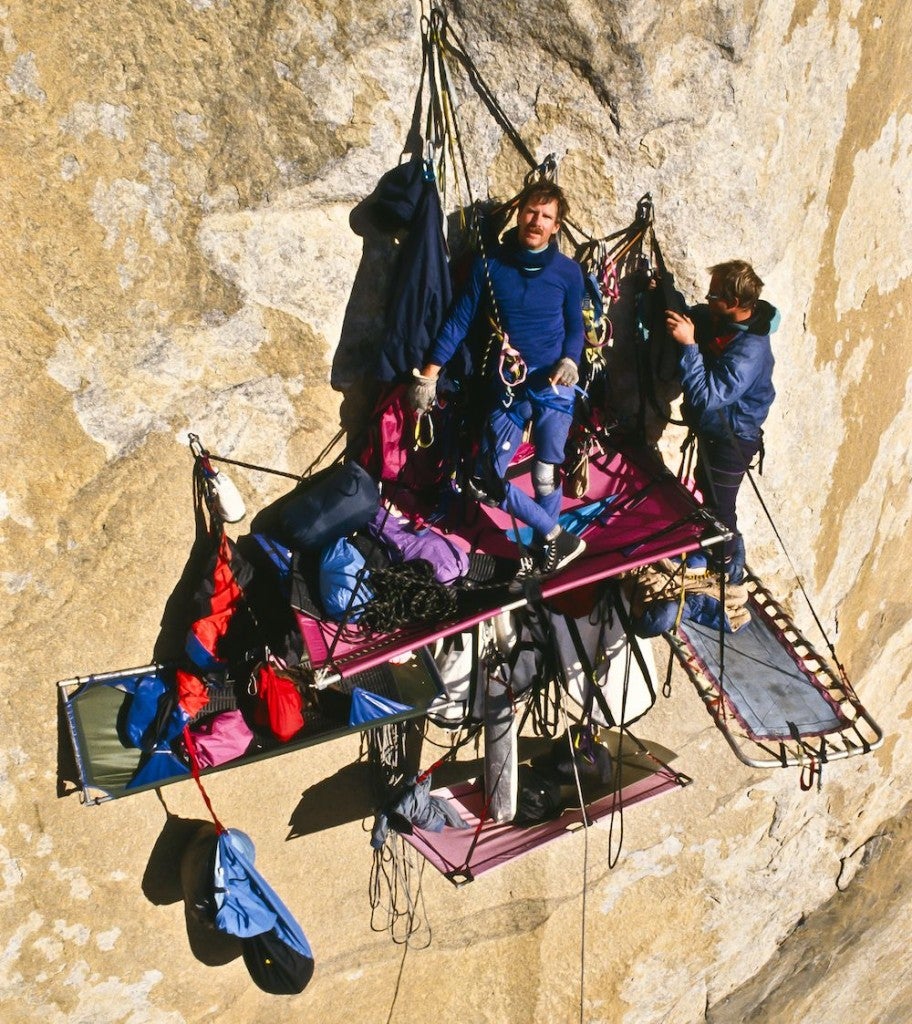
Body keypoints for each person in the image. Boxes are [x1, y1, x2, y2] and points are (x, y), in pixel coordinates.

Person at [408, 180, 586, 578]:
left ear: (556, 226)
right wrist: (429, 376)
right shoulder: (492, 267)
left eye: (546, 217)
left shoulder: (568, 272)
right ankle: (558, 535)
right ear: (519, 212)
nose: (535, 222)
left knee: (544, 472)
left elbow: (576, 325)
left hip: (555, 385)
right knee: (483, 478)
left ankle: (547, 549)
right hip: (509, 386)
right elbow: (458, 321)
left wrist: (571, 360)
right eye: (530, 212)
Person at [665, 260, 779, 583]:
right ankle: (722, 552)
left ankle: (728, 573)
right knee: (708, 488)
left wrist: (688, 345)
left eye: (714, 296)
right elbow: (700, 319)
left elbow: (707, 397)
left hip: (734, 438)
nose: (708, 299)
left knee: (720, 508)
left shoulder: (750, 352)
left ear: (734, 304)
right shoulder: (729, 322)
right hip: (720, 429)